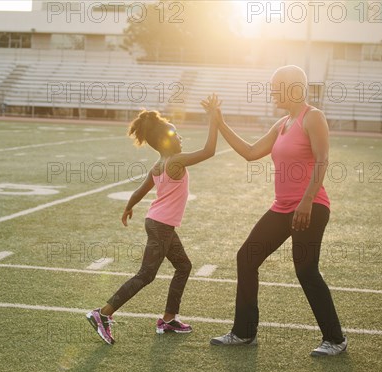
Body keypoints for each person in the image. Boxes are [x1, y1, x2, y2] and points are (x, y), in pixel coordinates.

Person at [203, 66, 347, 356]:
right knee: (247, 258)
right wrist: (219, 123)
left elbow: (323, 159)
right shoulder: (283, 123)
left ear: (293, 87)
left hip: (311, 206)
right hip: (282, 208)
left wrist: (306, 201)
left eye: (275, 86)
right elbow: (251, 152)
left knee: (306, 270)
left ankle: (335, 339)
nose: (271, 91)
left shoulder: (313, 117)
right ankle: (243, 333)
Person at [86, 95, 221, 345]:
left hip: (158, 223)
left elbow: (140, 190)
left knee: (183, 266)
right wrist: (214, 119)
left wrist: (129, 207)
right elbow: (210, 150)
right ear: (164, 141)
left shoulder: (159, 164)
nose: (180, 137)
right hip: (160, 226)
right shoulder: (176, 161)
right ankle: (102, 314)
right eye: (175, 134)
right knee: (146, 275)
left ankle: (168, 319)